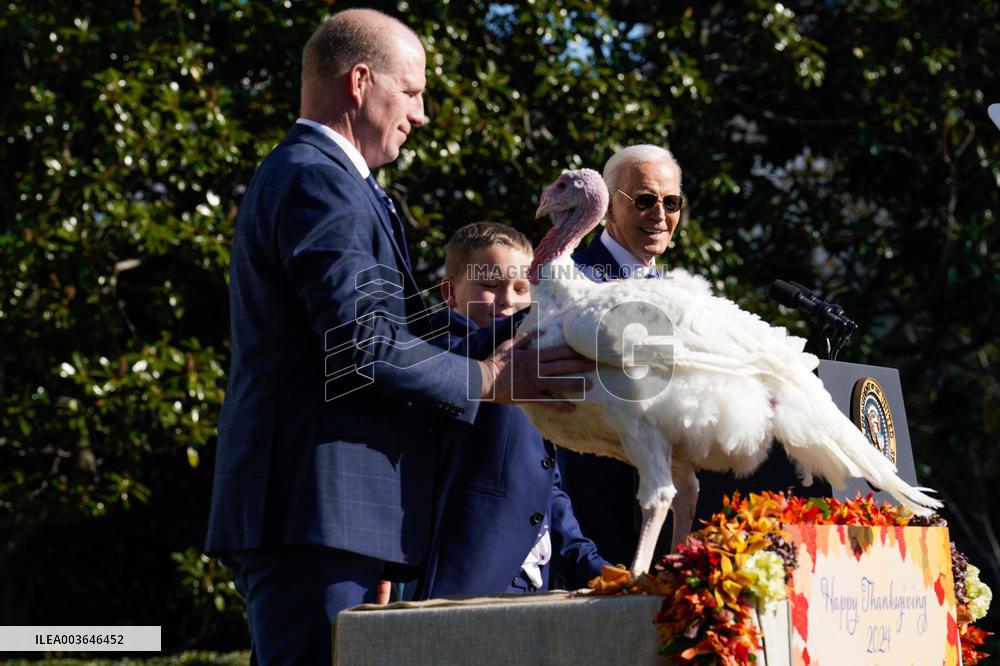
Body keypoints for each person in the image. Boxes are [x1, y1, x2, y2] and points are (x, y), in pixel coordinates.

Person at [204, 10, 591, 664]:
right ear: (360, 82)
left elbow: (389, 335)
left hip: (339, 519)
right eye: (412, 91)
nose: (422, 113)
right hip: (315, 514)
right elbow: (362, 342)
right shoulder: (316, 178)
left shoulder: (335, 182)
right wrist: (489, 381)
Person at [419, 223, 609, 597]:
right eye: (489, 286)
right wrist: (567, 307)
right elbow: (472, 352)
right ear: (449, 293)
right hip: (467, 581)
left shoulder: (530, 370)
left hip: (534, 586)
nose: (507, 300)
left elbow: (546, 487)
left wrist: (593, 567)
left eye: (522, 289)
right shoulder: (441, 353)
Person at [560, 144, 684, 567]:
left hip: (661, 510)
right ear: (609, 208)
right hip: (589, 513)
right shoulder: (573, 282)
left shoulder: (678, 293)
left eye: (671, 203)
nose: (660, 215)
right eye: (645, 200)